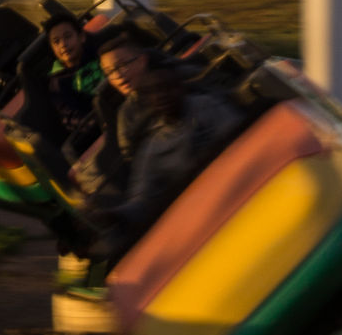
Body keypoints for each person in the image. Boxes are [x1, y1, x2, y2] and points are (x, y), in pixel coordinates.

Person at [80, 34, 250, 262]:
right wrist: (112, 216)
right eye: (110, 72)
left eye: (122, 65)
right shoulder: (150, 145)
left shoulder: (206, 105)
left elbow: (242, 141)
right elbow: (142, 195)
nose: (118, 75)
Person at [13, 12, 111, 161]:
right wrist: (102, 117)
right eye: (56, 42)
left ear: (81, 37)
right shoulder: (58, 84)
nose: (63, 45)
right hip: (102, 129)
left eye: (68, 37)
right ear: (52, 49)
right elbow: (74, 122)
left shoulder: (100, 52)